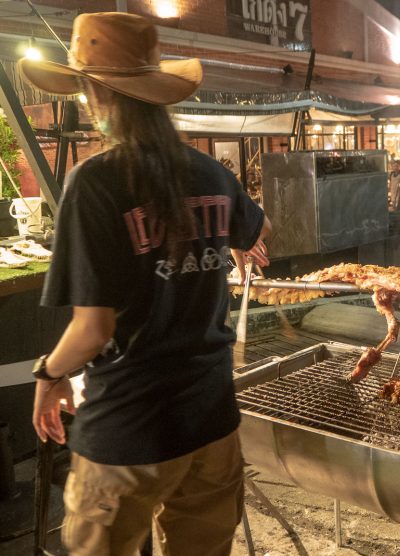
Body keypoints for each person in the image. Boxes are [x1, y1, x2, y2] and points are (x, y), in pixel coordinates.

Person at [20, 12, 271, 556]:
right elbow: (260, 227)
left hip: (130, 432)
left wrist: (49, 374)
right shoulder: (211, 174)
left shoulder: (95, 182)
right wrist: (225, 238)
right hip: (211, 423)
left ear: (93, 91)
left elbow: (93, 329)